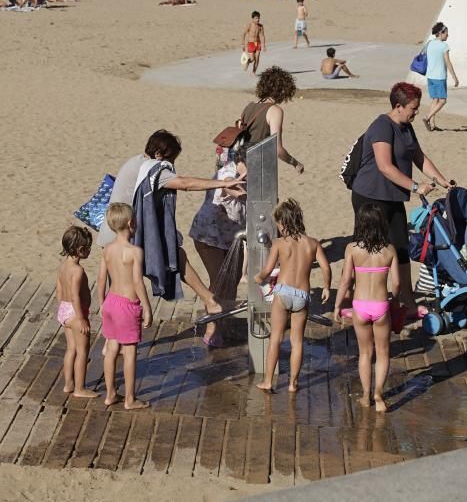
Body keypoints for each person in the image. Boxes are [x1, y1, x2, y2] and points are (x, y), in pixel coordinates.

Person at [97, 131, 238, 315]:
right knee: (173, 257)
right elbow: (185, 183)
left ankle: (111, 326)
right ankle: (210, 301)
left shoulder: (135, 161)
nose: (171, 165)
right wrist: (222, 183)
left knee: (117, 289)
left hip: (109, 233)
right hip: (126, 235)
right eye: (171, 159)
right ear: (158, 154)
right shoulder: (153, 169)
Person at [351, 82, 456, 319]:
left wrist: (440, 180)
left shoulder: (407, 127)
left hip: (393, 196)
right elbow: (385, 166)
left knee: (400, 247)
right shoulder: (381, 126)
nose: (416, 112)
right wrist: (416, 186)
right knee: (368, 250)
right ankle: (362, 299)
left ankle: (407, 301)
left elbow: (419, 156)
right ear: (398, 106)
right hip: (370, 196)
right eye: (413, 108)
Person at [254, 198, 331, 392]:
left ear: (282, 224)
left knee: (276, 339)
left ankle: (269, 381)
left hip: (283, 292)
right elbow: (325, 267)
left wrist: (259, 277)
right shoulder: (312, 244)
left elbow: (268, 269)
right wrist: (327, 287)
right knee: (297, 341)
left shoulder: (279, 243)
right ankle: (293, 384)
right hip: (302, 295)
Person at [334, 204, 400, 412]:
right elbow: (397, 283)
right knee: (383, 352)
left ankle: (365, 395)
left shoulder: (352, 249)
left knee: (364, 353)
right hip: (381, 305)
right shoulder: (389, 250)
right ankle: (379, 395)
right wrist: (395, 301)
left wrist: (337, 305)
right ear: (382, 224)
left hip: (360, 306)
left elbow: (346, 281)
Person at [189, 149, 247, 347]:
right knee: (218, 280)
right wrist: (243, 190)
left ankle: (225, 324)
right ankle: (212, 329)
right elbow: (231, 188)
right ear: (241, 161)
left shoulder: (252, 174)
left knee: (234, 278)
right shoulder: (226, 174)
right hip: (209, 235)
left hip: (233, 235)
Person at [98, 203, 152, 410]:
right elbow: (138, 282)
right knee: (129, 352)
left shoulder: (107, 249)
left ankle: (110, 393)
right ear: (131, 223)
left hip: (111, 302)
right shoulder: (134, 252)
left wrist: (102, 303)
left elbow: (101, 279)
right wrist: (146, 308)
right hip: (127, 306)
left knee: (111, 348)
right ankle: (130, 399)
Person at [56, 226, 98, 399]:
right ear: (80, 250)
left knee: (71, 349)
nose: (89, 251)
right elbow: (75, 295)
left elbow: (59, 289)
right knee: (82, 351)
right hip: (75, 313)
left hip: (64, 310)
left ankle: (68, 384)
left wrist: (61, 310)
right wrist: (81, 318)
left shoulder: (63, 266)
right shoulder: (78, 271)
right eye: (88, 248)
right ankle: (80, 388)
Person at [239, 66, 305, 173]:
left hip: (241, 164)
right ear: (282, 90)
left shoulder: (249, 106)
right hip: (258, 167)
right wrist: (295, 163)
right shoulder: (274, 110)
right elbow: (277, 149)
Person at [423, 22, 459, 132]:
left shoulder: (429, 43)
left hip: (430, 76)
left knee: (435, 99)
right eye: (446, 33)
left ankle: (432, 125)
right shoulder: (444, 46)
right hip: (439, 77)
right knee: (443, 101)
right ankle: (427, 117)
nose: (448, 35)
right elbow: (448, 62)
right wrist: (455, 77)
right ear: (441, 33)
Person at [241, 11, 266, 75]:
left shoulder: (260, 26)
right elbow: (243, 34)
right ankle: (248, 62)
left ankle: (253, 72)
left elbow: (262, 36)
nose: (258, 20)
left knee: (257, 58)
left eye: (258, 18)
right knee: (252, 59)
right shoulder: (249, 25)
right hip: (251, 44)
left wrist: (263, 45)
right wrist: (242, 44)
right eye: (256, 18)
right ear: (252, 19)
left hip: (258, 43)